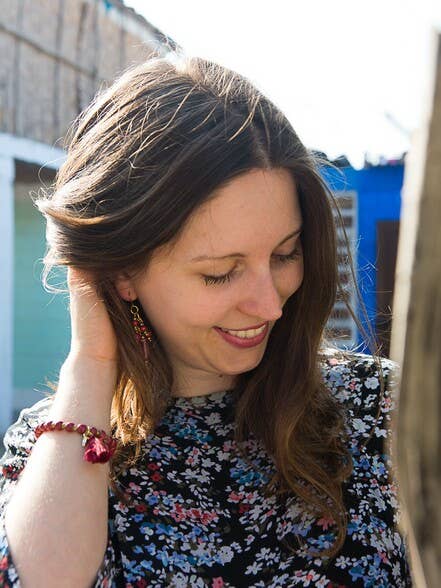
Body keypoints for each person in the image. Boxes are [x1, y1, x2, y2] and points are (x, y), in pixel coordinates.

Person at [0, 52, 412, 587]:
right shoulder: (53, 447)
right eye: (220, 273)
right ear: (120, 272)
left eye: (286, 254)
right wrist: (93, 358)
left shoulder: (383, 410)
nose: (270, 304)